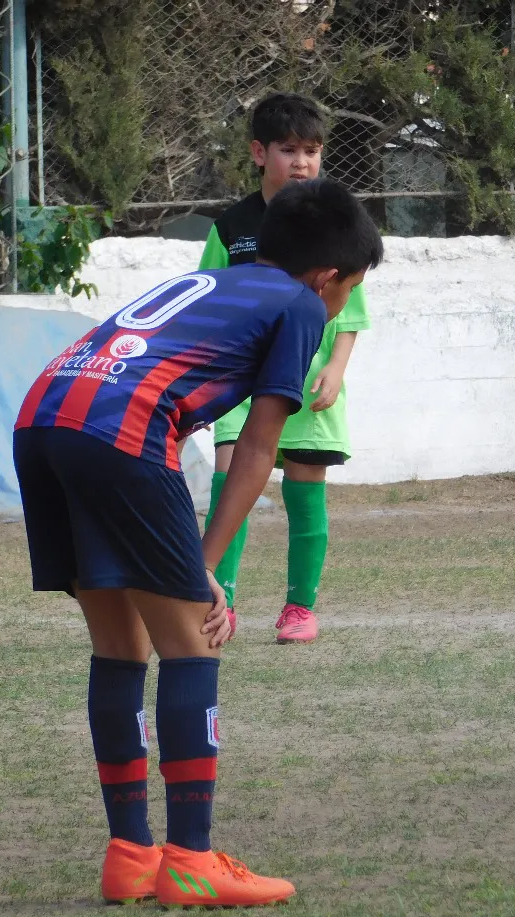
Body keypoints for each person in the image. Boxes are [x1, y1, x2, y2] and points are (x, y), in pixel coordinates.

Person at [13, 179, 383, 907]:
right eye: (351, 289)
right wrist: (203, 565)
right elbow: (258, 448)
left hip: (44, 418)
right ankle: (189, 860)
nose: (342, 305)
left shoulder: (210, 280)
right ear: (327, 277)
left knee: (120, 647)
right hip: (122, 429)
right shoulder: (302, 306)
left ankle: (129, 855)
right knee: (193, 642)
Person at [199, 92, 373, 644]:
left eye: (312, 151)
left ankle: (300, 607)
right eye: (289, 150)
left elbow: (351, 310)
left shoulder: (335, 222)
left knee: (305, 486)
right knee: (231, 474)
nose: (301, 162)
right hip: (241, 383)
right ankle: (219, 600)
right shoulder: (231, 228)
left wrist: (335, 368)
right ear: (259, 153)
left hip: (307, 379)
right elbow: (210, 299)